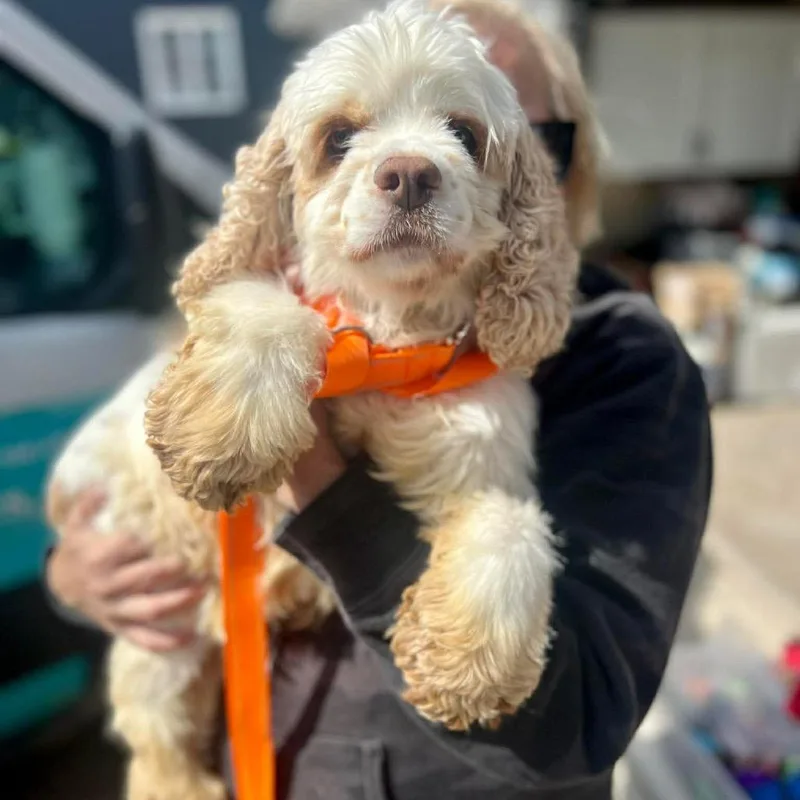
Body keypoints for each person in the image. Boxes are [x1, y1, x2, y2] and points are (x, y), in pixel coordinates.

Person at [45, 1, 712, 797]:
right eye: (343, 137)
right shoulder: (265, 311)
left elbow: (577, 718)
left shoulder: (623, 356)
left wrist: (312, 466)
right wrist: (73, 576)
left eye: (467, 137)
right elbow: (111, 475)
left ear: (540, 177)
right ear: (287, 183)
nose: (410, 168)